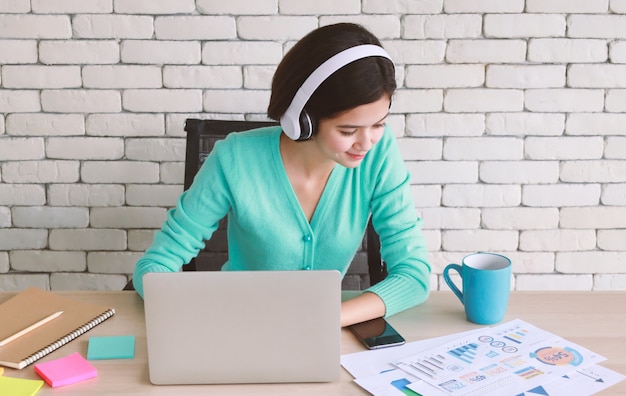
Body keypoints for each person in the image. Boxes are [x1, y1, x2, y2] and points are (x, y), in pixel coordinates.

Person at [133, 23, 431, 327]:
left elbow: (413, 274)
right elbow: (155, 265)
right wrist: (204, 317)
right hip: (237, 325)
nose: (367, 142)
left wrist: (327, 319)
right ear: (304, 120)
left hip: (323, 332)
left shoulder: (379, 155)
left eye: (378, 124)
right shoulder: (234, 158)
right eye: (348, 130)